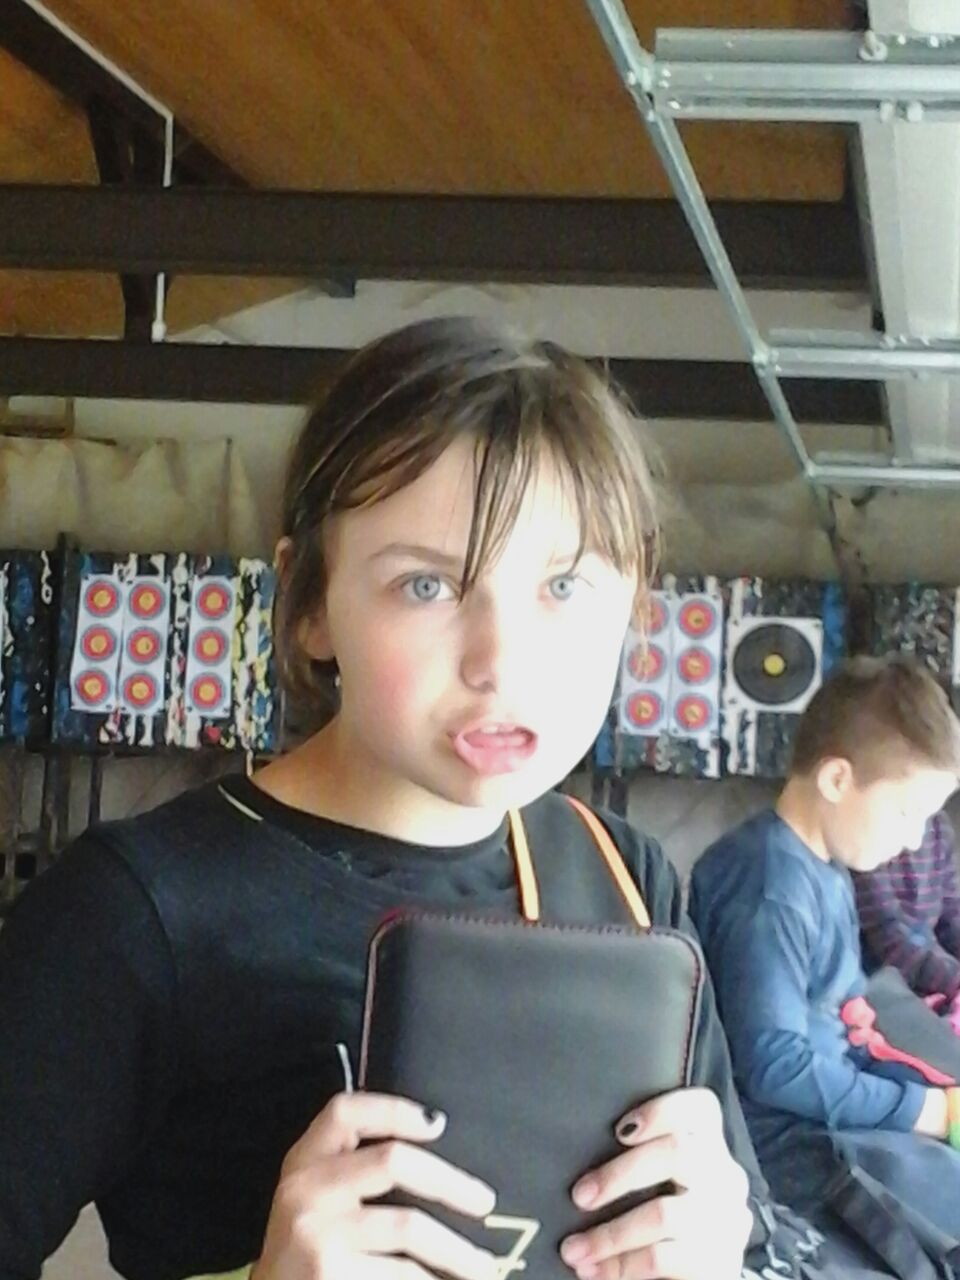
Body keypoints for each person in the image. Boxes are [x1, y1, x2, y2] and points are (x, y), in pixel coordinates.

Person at [0, 317, 866, 1280]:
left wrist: (720, 1255)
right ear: (311, 605)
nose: (501, 662)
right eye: (426, 586)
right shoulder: (137, 912)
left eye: (564, 586)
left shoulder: (622, 875)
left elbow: (736, 1225)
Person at [690, 656, 960, 1242]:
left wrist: (932, 1098)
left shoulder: (827, 870)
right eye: (908, 812)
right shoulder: (770, 887)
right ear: (837, 780)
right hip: (783, 1146)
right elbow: (773, 1067)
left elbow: (847, 1029)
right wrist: (927, 1112)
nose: (916, 840)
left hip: (827, 1118)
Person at [853, 809, 960, 1022]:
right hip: (880, 981)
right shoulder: (868, 842)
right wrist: (954, 981)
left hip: (931, 972)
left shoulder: (939, 826)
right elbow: (886, 935)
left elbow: (952, 916)